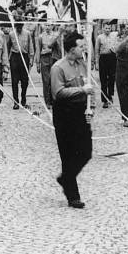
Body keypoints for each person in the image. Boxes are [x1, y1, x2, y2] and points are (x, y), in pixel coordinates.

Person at [50, 31, 96, 209]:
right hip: (64, 114)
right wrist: (82, 91)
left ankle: (65, 179)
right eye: (81, 46)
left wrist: (91, 108)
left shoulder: (82, 64)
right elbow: (58, 93)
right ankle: (73, 196)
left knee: (86, 152)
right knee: (68, 155)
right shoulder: (58, 68)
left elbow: (90, 88)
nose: (84, 48)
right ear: (71, 49)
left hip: (81, 112)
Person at [8, 21, 34, 109]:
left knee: (25, 80)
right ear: (15, 26)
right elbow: (8, 47)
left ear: (22, 26)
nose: (19, 28)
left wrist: (31, 59)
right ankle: (15, 101)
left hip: (25, 57)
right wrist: (7, 61)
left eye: (20, 26)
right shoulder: (11, 34)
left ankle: (23, 98)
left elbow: (31, 46)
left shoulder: (27, 33)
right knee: (14, 81)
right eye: (17, 26)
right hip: (15, 58)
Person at [36, 22, 61, 108]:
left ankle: (52, 100)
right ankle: (47, 101)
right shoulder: (40, 37)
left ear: (52, 26)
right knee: (46, 81)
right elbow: (38, 50)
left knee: (53, 80)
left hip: (53, 58)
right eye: (46, 25)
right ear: (43, 26)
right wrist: (37, 63)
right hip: (44, 58)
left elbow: (58, 48)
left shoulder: (55, 36)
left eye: (49, 25)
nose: (47, 27)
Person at [94, 22, 118, 108]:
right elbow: (96, 51)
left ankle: (110, 95)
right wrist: (96, 63)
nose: (107, 30)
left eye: (109, 28)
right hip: (103, 59)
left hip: (112, 58)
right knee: (103, 80)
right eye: (106, 28)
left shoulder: (114, 35)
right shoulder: (99, 37)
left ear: (111, 28)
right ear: (103, 28)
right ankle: (104, 100)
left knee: (112, 78)